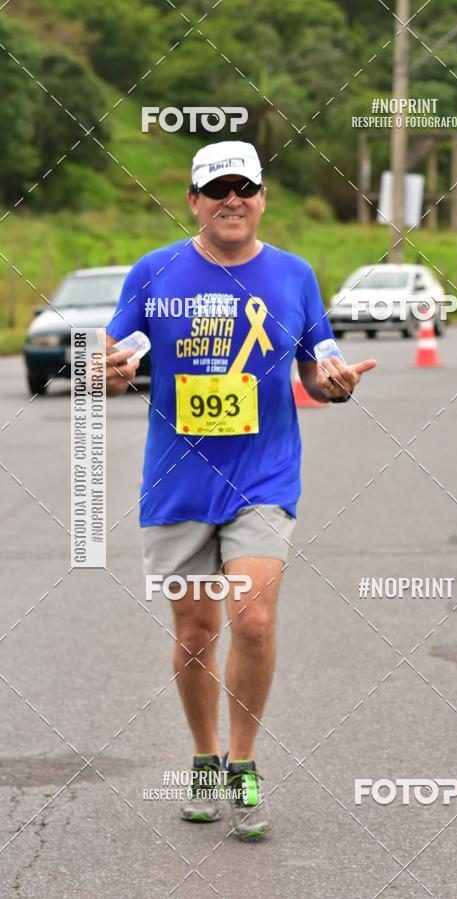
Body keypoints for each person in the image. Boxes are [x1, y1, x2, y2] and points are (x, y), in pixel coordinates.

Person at [103, 140, 376, 841]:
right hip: (176, 481)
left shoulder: (295, 275)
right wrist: (98, 371)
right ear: (194, 200)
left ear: (261, 197)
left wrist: (334, 386)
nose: (232, 199)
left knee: (251, 619)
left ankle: (245, 761)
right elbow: (107, 357)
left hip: (263, 476)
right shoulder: (155, 271)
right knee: (196, 634)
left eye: (244, 187)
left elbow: (319, 370)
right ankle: (203, 756)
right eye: (216, 188)